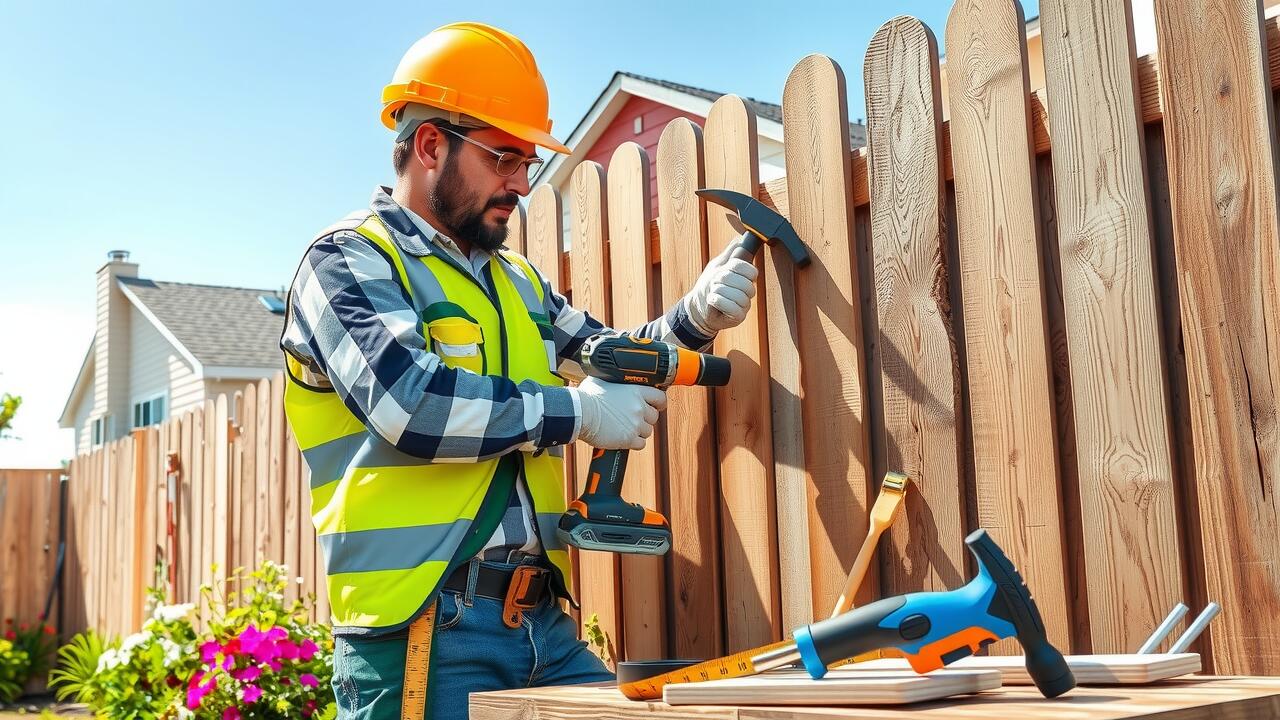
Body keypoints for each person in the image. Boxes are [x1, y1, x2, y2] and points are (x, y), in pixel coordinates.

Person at [279, 21, 759, 720]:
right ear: (430, 144)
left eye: (528, 162)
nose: (521, 183)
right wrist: (580, 413)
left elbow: (609, 359)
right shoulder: (348, 262)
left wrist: (695, 316)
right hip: (421, 635)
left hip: (540, 624)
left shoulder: (519, 283)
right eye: (504, 157)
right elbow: (412, 404)